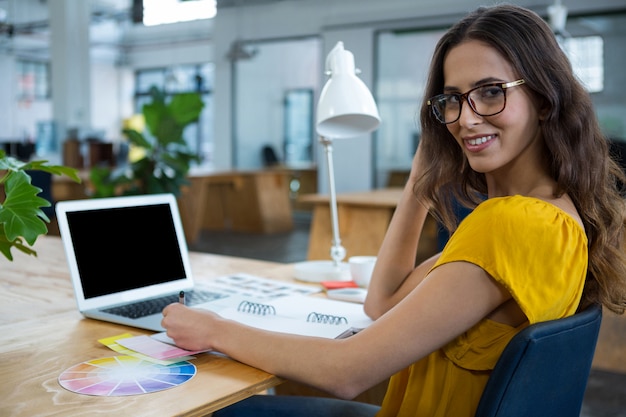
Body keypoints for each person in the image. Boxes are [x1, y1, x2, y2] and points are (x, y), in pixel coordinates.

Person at [161, 4, 626, 417]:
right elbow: (382, 304)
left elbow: (348, 372)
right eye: (452, 99)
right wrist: (421, 181)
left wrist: (215, 329)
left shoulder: (511, 224)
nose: (465, 119)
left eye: (490, 92)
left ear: (544, 99)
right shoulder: (553, 215)